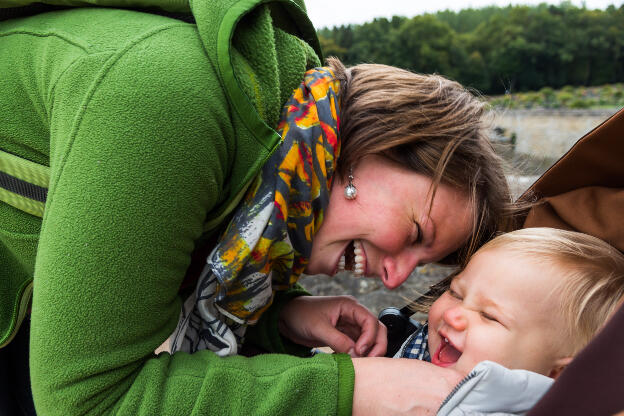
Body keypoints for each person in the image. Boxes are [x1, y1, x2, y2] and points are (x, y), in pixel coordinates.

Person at [0, 0, 512, 414]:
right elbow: (87, 399)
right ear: (372, 143)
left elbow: (140, 271)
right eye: (417, 232)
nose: (395, 282)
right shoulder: (172, 108)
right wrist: (353, 389)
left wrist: (280, 319)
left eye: (422, 267)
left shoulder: (274, 189)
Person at [392, 228, 624, 413]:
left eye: (489, 316)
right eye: (455, 293)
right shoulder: (421, 348)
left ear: (556, 373)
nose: (452, 315)